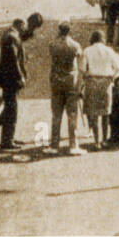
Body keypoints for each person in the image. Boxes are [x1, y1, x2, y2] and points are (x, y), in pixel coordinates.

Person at [80, 30, 119, 150]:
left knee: (93, 113)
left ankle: (96, 141)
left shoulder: (87, 51)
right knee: (105, 113)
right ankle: (104, 140)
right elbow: (118, 68)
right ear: (103, 39)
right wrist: (112, 78)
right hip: (106, 83)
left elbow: (82, 68)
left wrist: (87, 75)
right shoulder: (109, 51)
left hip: (92, 82)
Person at [47, 21, 83, 155]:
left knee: (56, 115)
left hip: (56, 80)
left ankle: (54, 145)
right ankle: (73, 145)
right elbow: (79, 55)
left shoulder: (53, 44)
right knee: (72, 115)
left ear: (59, 30)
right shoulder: (75, 45)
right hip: (70, 81)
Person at [0, 19, 27, 150]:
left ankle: (9, 138)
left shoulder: (7, 35)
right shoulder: (13, 37)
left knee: (9, 108)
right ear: (19, 25)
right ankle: (7, 141)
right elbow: (14, 60)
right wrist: (20, 76)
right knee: (12, 110)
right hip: (11, 79)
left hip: (6, 78)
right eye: (24, 27)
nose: (25, 29)